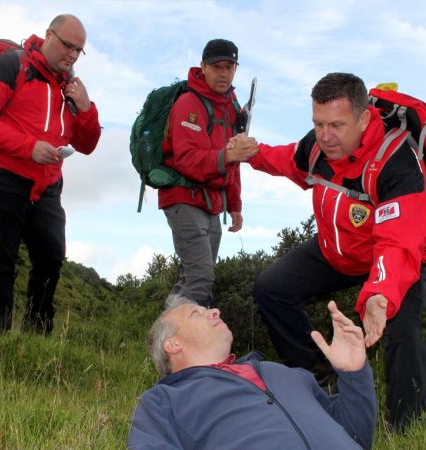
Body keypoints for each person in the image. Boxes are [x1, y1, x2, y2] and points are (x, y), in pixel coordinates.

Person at [234, 72, 426, 430]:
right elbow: (289, 160)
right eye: (318, 123)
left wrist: (381, 294)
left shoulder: (398, 161)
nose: (326, 135)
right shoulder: (318, 146)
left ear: (364, 117)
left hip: (392, 257)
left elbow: (398, 241)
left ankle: (405, 423)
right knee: (271, 289)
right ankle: (318, 375)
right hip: (335, 251)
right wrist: (254, 155)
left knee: (403, 329)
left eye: (336, 124)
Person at [0, 14, 101, 338]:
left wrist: (85, 107)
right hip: (1, 176)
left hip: (48, 184)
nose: (72, 54)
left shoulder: (69, 85)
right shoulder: (11, 66)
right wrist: (28, 147)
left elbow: (88, 144)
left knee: (51, 259)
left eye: (78, 50)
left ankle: (38, 335)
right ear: (49, 35)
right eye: (67, 45)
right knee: (0, 260)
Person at [128, 295, 377, 449]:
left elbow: (355, 436)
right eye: (197, 313)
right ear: (173, 345)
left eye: (209, 309)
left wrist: (353, 373)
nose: (215, 311)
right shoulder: (164, 400)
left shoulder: (286, 373)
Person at [158, 39, 257, 308]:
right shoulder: (189, 103)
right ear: (203, 67)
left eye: (229, 67)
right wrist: (228, 156)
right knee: (201, 278)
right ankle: (192, 345)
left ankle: (164, 340)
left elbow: (233, 161)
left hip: (212, 202)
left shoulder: (230, 107)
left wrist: (234, 205)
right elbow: (186, 159)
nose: (224, 73)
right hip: (182, 197)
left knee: (191, 278)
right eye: (217, 67)